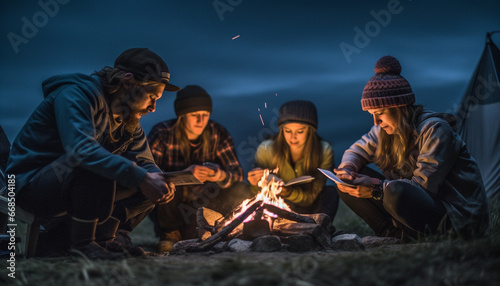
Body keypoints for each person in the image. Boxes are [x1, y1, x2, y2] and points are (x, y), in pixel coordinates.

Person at [6, 48, 179, 258]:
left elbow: (144, 161)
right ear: (128, 82)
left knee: (149, 182)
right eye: (151, 96)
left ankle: (104, 239)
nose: (153, 107)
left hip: (70, 186)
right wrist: (141, 176)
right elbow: (82, 151)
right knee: (93, 160)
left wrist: (159, 178)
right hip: (28, 186)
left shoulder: (128, 117)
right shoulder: (75, 95)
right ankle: (83, 246)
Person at [335, 55, 489, 240]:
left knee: (394, 191)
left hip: (457, 218)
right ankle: (392, 234)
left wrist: (376, 188)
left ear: (399, 108)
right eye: (372, 115)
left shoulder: (435, 130)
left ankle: (418, 235)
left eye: (379, 113)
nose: (376, 121)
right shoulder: (382, 131)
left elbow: (422, 188)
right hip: (420, 213)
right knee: (346, 184)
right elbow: (355, 151)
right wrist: (348, 170)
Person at [148, 85, 251, 252]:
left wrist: (218, 174)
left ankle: (223, 230)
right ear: (182, 115)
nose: (200, 120)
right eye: (194, 115)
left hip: (204, 204)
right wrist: (182, 175)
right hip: (170, 209)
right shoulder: (162, 133)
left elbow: (237, 174)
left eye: (205, 115)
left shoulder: (218, 133)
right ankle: (169, 234)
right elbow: (148, 173)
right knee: (164, 184)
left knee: (241, 188)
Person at [247, 100, 339, 220]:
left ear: (311, 131)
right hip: (275, 206)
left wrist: (289, 192)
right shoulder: (266, 149)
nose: (293, 137)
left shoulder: (324, 150)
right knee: (242, 188)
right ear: (281, 130)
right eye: (287, 131)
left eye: (300, 131)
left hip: (309, 207)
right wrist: (255, 182)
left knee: (330, 193)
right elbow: (256, 195)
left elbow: (311, 197)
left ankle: (318, 229)